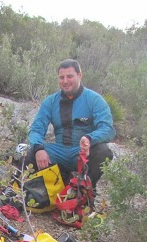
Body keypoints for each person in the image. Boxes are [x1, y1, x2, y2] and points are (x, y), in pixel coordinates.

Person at [23, 59, 116, 188]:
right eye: (61, 77)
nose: (65, 81)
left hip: (83, 152)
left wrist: (90, 138)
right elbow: (36, 129)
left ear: (79, 75)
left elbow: (108, 129)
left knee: (104, 152)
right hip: (59, 151)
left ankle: (85, 190)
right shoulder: (50, 102)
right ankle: (41, 194)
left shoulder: (94, 100)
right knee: (31, 153)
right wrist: (38, 148)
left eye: (70, 76)